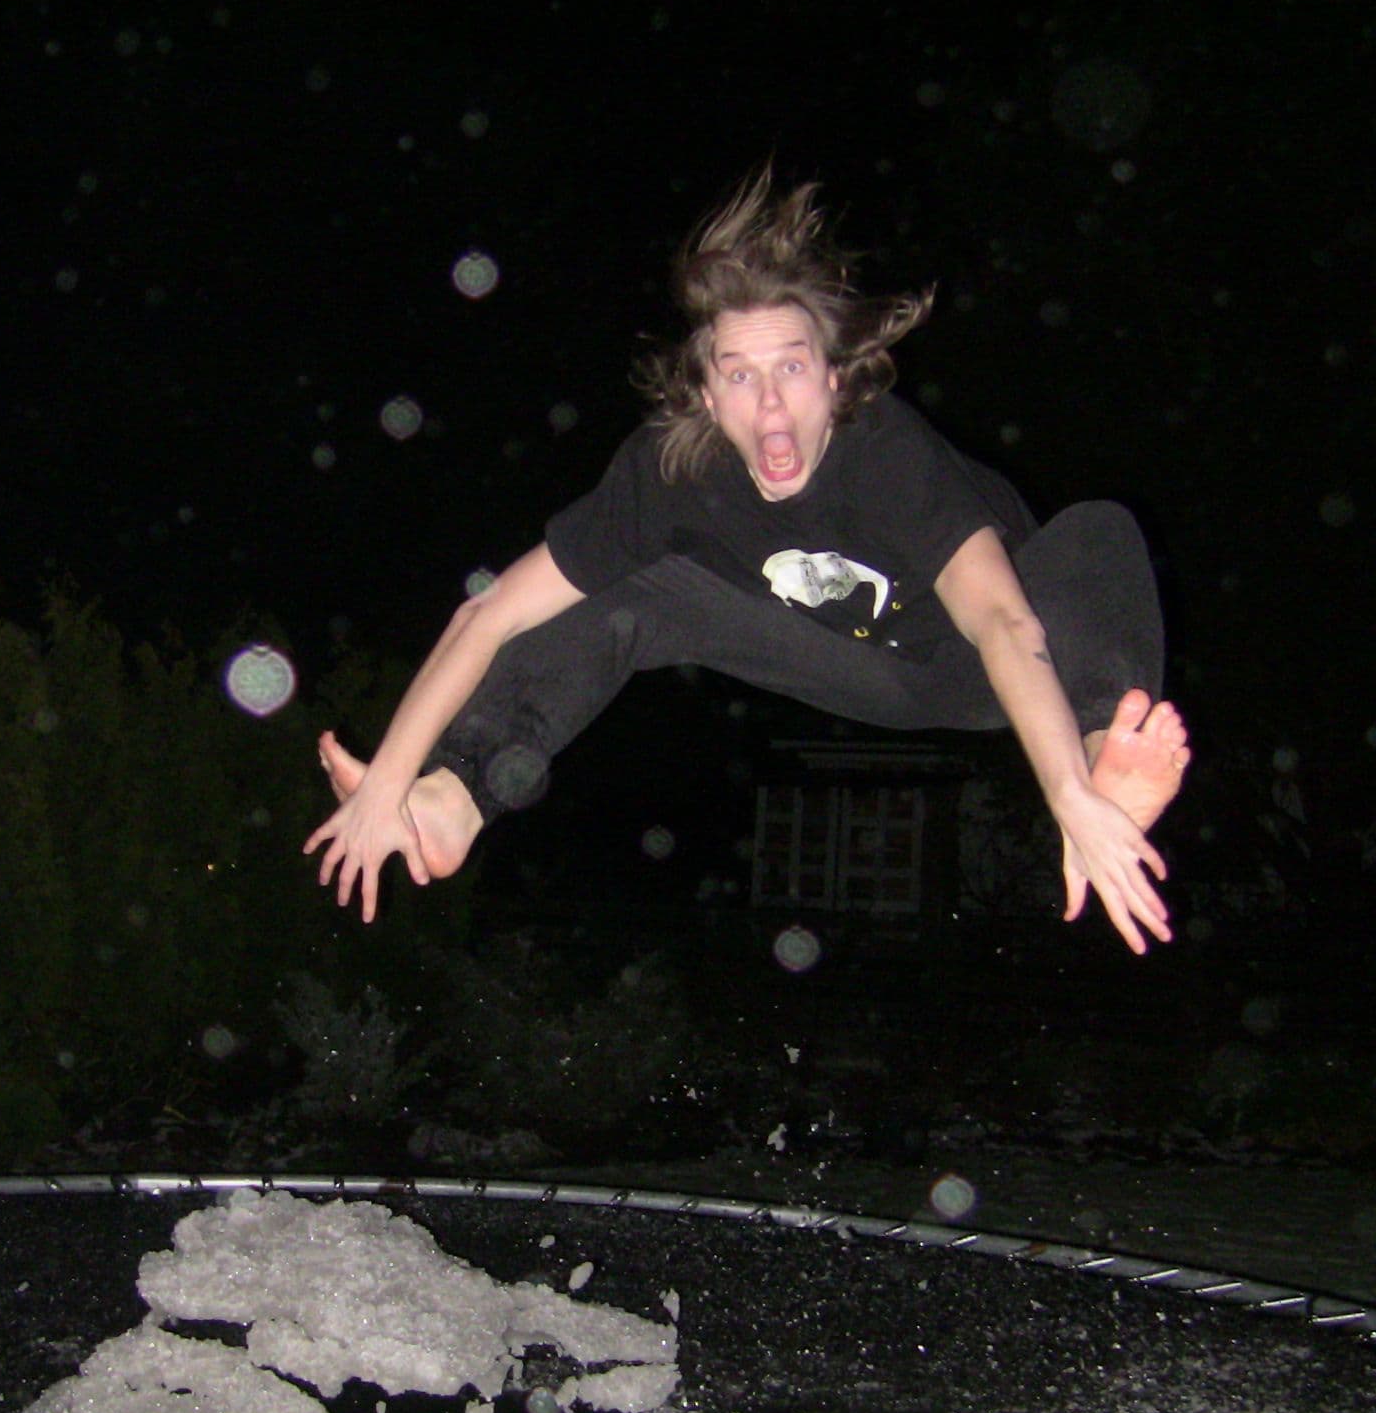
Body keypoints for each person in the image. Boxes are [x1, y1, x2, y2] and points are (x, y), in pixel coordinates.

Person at [304, 166, 1191, 954]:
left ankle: (1105, 752)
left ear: (834, 378)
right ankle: (454, 799)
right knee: (629, 590)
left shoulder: (887, 454)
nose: (770, 408)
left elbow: (1001, 621)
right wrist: (387, 785)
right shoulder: (669, 474)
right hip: (858, 668)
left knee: (1097, 530)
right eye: (739, 376)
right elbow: (489, 614)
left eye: (792, 371)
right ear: (705, 392)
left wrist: (1069, 795)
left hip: (993, 668)